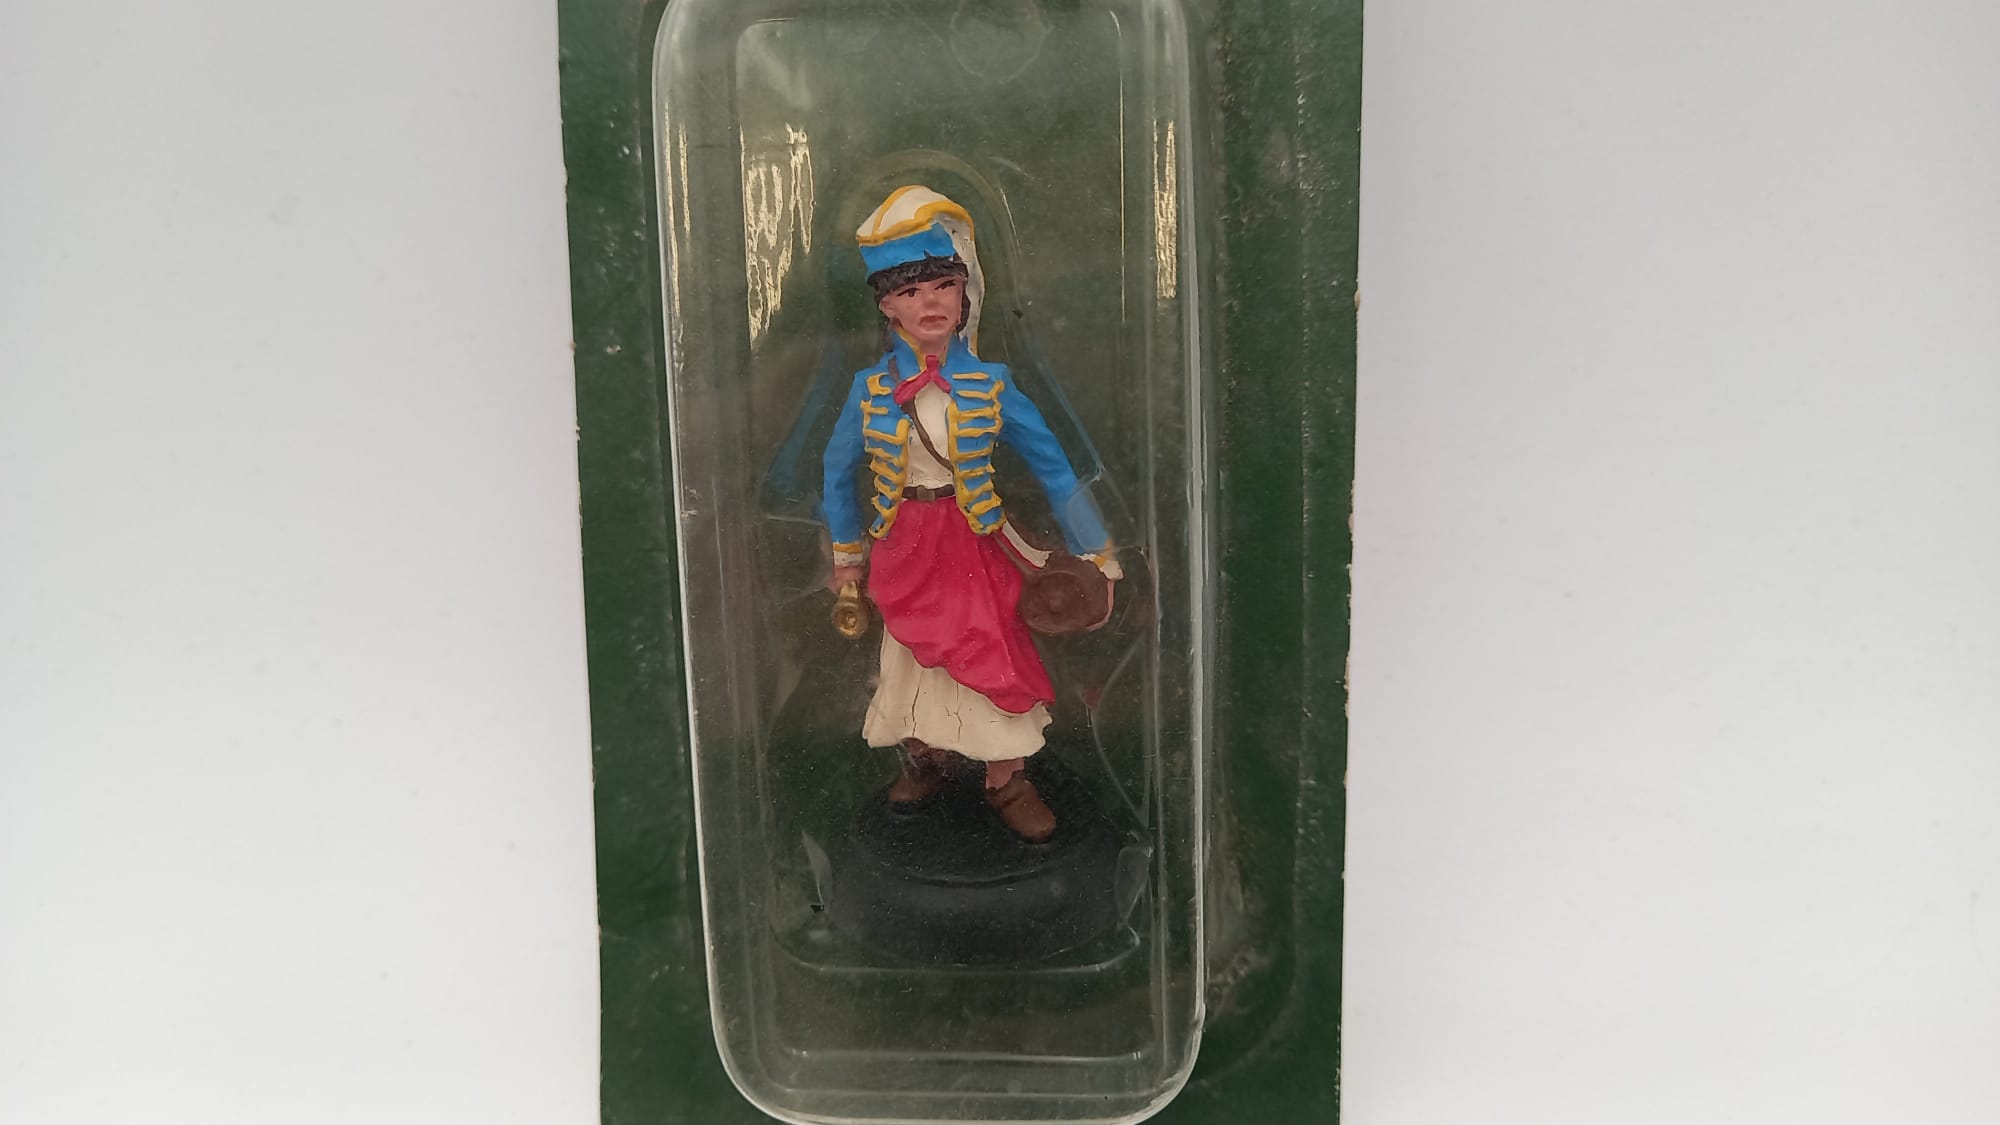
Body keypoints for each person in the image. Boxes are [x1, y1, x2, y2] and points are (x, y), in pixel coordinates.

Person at [820, 185, 1120, 843]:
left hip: (974, 543)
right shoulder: (870, 390)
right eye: (911, 290)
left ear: (963, 294)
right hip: (903, 547)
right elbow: (836, 473)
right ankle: (925, 758)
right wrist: (845, 557)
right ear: (887, 305)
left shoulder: (991, 385)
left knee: (990, 656)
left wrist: (1096, 549)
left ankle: (1006, 777)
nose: (930, 303)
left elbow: (1055, 468)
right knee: (912, 658)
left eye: (943, 286)